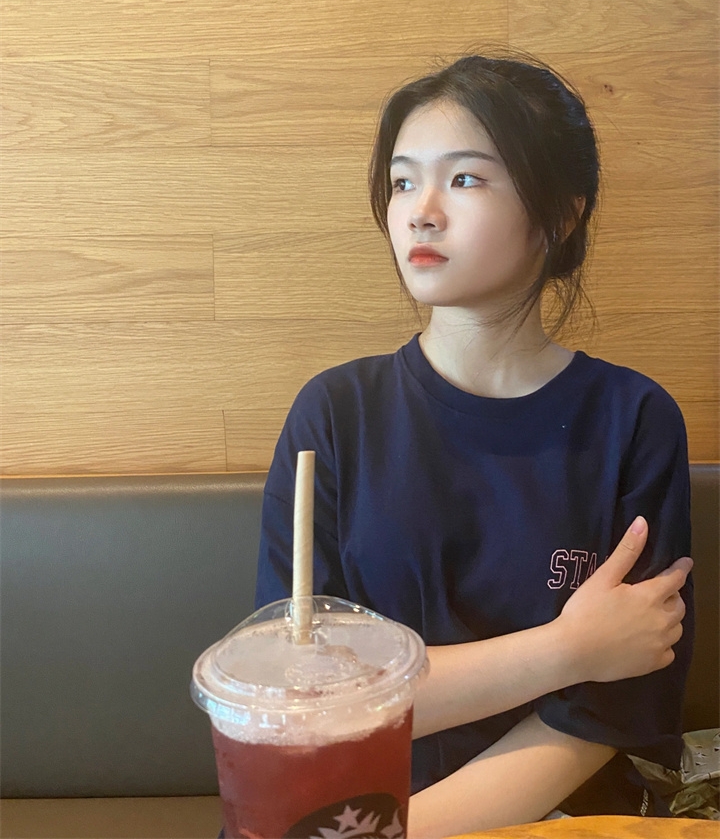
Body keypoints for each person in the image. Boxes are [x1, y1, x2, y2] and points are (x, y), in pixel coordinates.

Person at [255, 54, 694, 835]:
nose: (420, 213)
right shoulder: (335, 415)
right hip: (353, 813)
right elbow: (304, 700)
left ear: (559, 216)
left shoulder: (633, 419)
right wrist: (568, 648)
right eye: (402, 182)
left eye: (463, 179)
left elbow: (616, 704)